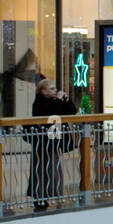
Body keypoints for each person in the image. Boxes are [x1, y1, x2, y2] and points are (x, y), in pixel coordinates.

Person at [28, 78, 77, 210]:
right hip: (42, 141)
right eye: (52, 89)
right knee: (41, 168)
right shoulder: (40, 101)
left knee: (53, 167)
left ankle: (51, 195)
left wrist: (66, 99)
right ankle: (39, 197)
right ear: (43, 91)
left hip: (52, 140)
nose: (55, 91)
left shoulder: (54, 101)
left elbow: (71, 110)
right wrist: (60, 100)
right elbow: (52, 112)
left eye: (55, 88)